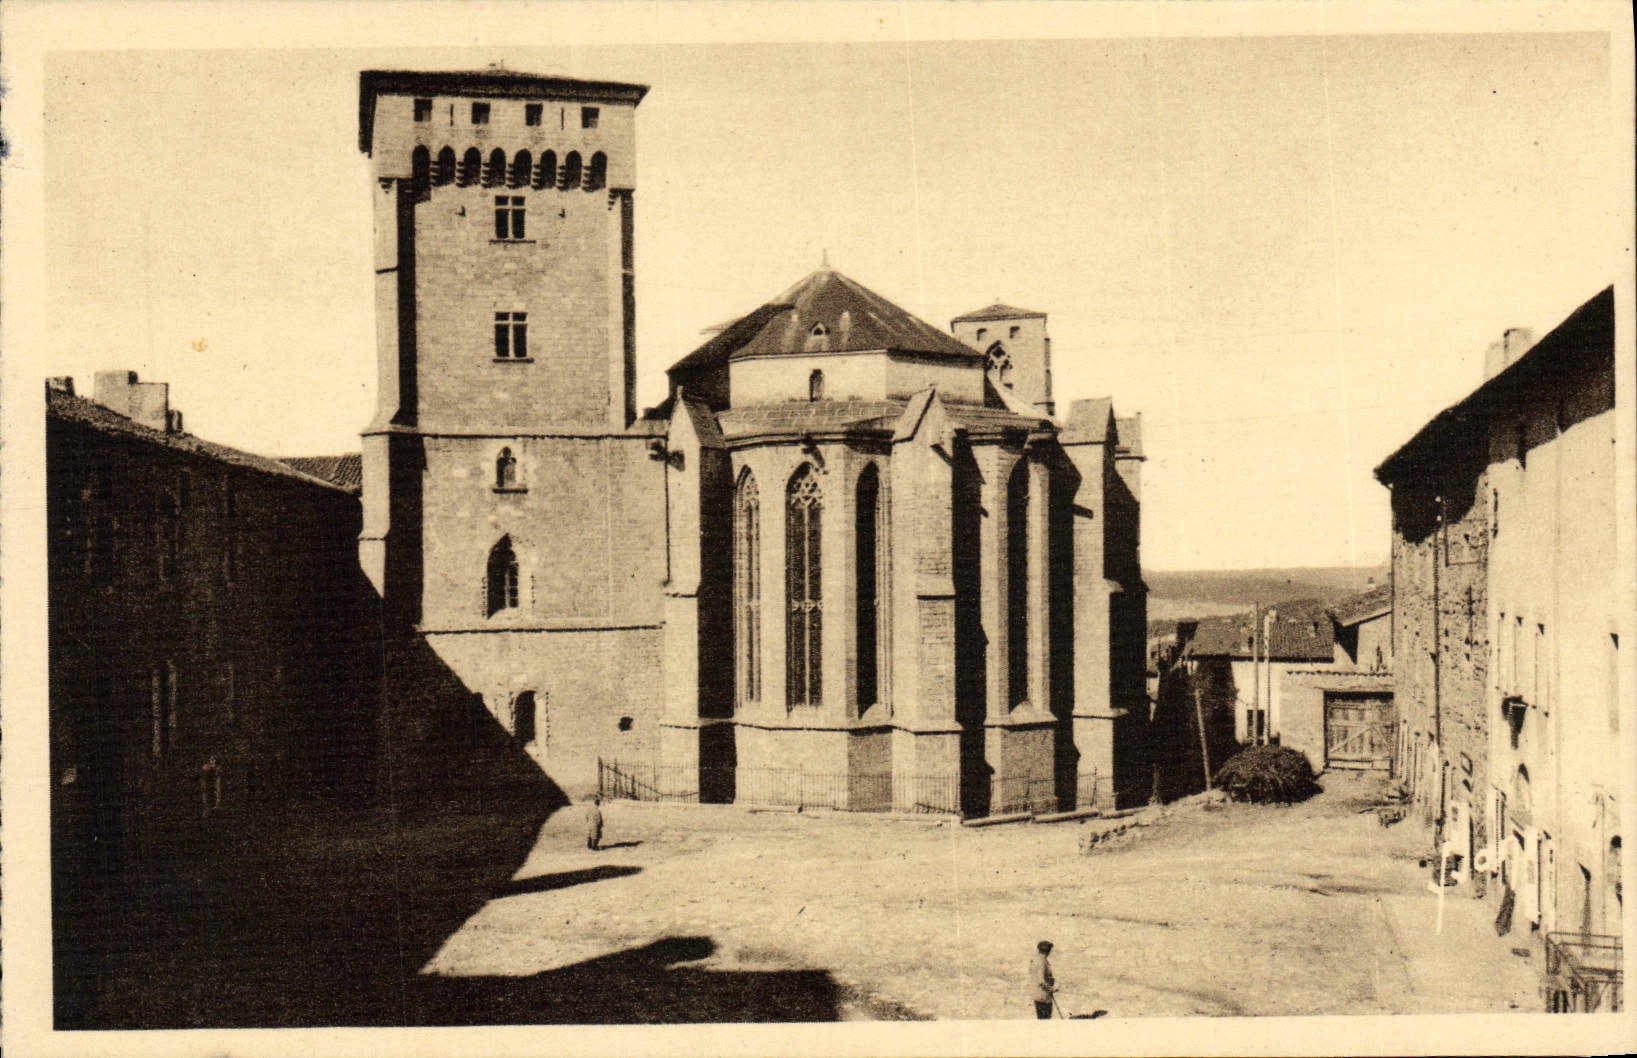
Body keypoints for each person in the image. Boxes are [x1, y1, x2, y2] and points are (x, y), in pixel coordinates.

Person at [1030, 940, 1056, 1019]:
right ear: (1048, 951)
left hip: (1037, 995)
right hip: (1044, 997)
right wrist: (1050, 989)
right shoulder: (1042, 961)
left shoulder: (1035, 960)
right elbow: (1041, 981)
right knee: (1045, 1021)